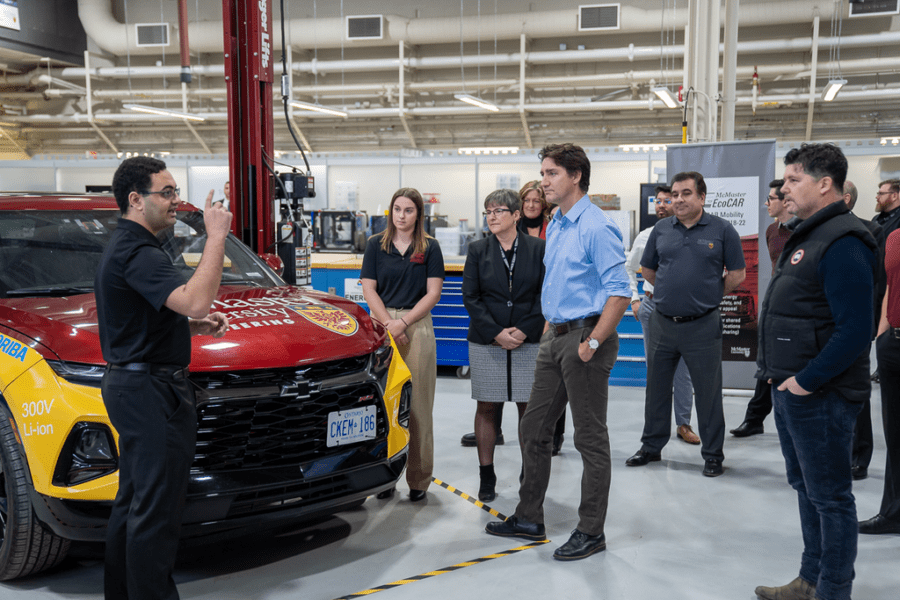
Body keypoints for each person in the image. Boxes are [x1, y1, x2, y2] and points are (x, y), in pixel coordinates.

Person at [485, 143, 631, 561]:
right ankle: (529, 516)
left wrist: (593, 343)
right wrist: (551, 327)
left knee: (589, 439)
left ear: (576, 176)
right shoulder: (560, 222)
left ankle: (591, 531)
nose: (543, 181)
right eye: (544, 173)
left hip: (586, 338)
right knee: (534, 429)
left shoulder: (595, 226)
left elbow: (620, 293)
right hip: (556, 337)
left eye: (551, 174)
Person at [96, 156, 232, 600]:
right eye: (167, 193)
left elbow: (141, 317)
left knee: (134, 503)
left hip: (135, 386)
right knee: (155, 513)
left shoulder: (128, 246)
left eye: (176, 191)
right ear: (136, 200)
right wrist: (215, 236)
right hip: (151, 394)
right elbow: (194, 299)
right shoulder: (138, 250)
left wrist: (189, 328)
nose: (176, 201)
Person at [754, 143, 876, 600]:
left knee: (831, 498)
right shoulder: (808, 234)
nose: (784, 188)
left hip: (820, 393)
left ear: (825, 184)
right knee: (807, 488)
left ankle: (833, 590)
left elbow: (855, 330)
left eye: (793, 180)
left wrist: (804, 381)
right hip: (794, 390)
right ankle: (810, 578)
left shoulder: (843, 241)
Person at [626, 171, 746, 476]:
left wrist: (707, 294)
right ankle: (651, 446)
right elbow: (648, 270)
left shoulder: (722, 230)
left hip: (703, 325)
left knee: (707, 392)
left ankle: (713, 454)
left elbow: (737, 274)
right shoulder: (661, 230)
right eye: (674, 194)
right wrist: (671, 292)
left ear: (701, 197)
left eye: (686, 194)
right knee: (656, 389)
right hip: (663, 322)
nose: (678, 200)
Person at [361, 187, 444, 502]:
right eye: (397, 209)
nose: (402, 215)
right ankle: (381, 478)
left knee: (419, 406)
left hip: (416, 326)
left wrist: (404, 323)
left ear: (418, 214)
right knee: (382, 405)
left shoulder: (430, 248)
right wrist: (388, 324)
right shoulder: (375, 245)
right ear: (390, 212)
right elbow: (369, 289)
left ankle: (419, 480)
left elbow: (433, 293)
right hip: (382, 327)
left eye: (409, 210)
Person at [462, 189, 545, 502]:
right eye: (488, 212)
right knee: (486, 406)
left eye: (498, 211)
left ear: (516, 215)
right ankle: (487, 474)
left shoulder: (538, 249)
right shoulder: (477, 249)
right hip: (487, 340)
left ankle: (529, 472)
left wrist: (523, 330)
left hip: (529, 339)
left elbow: (544, 294)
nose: (492, 217)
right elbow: (471, 297)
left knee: (528, 408)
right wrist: (497, 332)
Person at [626, 184, 698, 445]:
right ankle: (655, 428)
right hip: (652, 307)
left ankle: (683, 423)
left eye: (667, 200)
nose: (661, 205)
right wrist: (634, 298)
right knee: (656, 370)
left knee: (683, 370)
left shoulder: (693, 235)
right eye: (658, 201)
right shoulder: (645, 235)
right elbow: (629, 268)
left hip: (684, 310)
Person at [731, 179, 792, 437]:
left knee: (789, 362)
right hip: (776, 301)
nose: (766, 203)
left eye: (770, 199)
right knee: (765, 359)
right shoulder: (771, 231)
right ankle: (755, 418)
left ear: (784, 201)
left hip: (797, 306)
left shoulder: (803, 231)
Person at [859, 227, 900, 535]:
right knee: (895, 434)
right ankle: (893, 512)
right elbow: (890, 287)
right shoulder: (894, 237)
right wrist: (884, 332)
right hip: (893, 344)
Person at [848, 180, 884, 480]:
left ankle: (860, 455)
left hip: (856, 324)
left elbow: (878, 282)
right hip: (819, 325)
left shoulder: (870, 230)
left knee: (856, 392)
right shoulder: (807, 230)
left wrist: (873, 325)